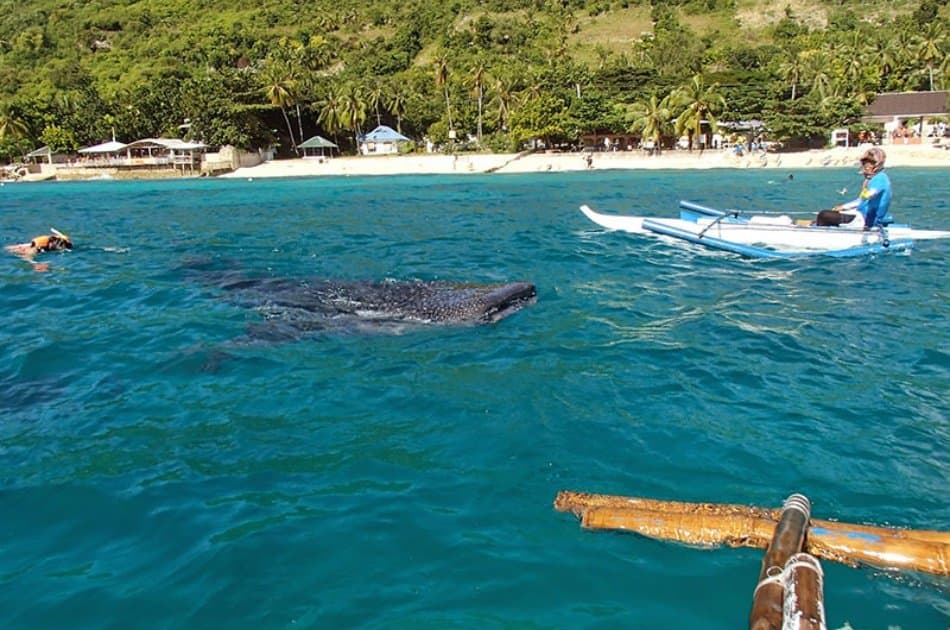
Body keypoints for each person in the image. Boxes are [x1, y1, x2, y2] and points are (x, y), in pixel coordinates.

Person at [814, 148, 892, 229]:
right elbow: (861, 200)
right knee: (831, 214)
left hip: (865, 220)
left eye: (868, 164)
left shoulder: (880, 178)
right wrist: (843, 207)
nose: (865, 167)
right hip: (860, 214)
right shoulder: (874, 178)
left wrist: (868, 193)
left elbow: (871, 193)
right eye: (864, 164)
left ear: (876, 165)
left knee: (823, 215)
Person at [5, 228, 72, 270]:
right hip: (14, 251)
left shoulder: (62, 240)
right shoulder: (37, 247)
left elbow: (63, 236)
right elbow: (26, 257)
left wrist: (55, 231)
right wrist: (36, 263)